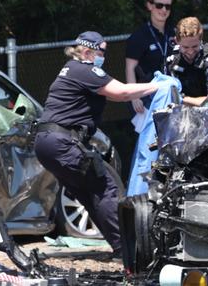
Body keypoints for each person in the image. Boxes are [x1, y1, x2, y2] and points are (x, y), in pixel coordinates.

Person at [34, 31, 160, 260]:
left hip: (47, 143)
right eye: (102, 51)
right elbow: (121, 92)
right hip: (61, 142)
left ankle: (122, 249)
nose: (104, 57)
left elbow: (111, 94)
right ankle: (131, 252)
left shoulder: (71, 70)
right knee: (107, 187)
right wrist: (155, 86)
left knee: (89, 192)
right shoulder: (84, 69)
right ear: (87, 50)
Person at [125, 0, 175, 114]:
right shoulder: (138, 36)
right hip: (147, 97)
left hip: (171, 93)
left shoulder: (174, 33)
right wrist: (134, 97)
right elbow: (130, 68)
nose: (163, 10)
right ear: (149, 6)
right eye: (159, 5)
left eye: (167, 7)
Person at [166, 17, 208, 106]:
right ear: (177, 41)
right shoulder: (171, 59)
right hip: (181, 114)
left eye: (195, 46)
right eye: (185, 47)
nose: (190, 52)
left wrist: (182, 99)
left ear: (201, 40)